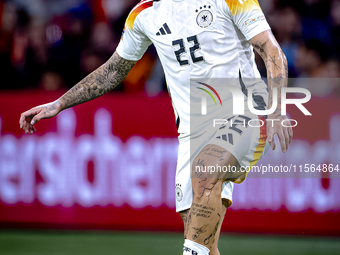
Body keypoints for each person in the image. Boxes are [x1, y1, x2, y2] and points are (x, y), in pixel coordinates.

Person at [19, 0, 293, 254]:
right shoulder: (143, 14)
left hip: (244, 112)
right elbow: (114, 70)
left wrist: (278, 110)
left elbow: (271, 50)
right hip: (192, 133)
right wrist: (59, 103)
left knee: (205, 172)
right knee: (202, 242)